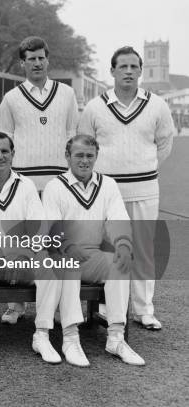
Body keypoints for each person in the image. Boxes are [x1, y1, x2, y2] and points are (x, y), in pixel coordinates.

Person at [78, 46, 174, 330]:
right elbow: (84, 144)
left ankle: (144, 310)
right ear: (113, 71)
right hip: (107, 193)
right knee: (109, 249)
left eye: (134, 67)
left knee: (143, 249)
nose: (129, 72)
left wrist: (142, 168)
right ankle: (109, 308)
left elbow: (164, 144)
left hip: (145, 189)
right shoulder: (96, 106)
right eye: (123, 67)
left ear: (140, 71)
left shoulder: (157, 105)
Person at [42, 134, 145, 366]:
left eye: (90, 155)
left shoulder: (108, 184)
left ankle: (116, 337)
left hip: (92, 256)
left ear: (97, 156)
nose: (85, 161)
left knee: (119, 262)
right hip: (61, 255)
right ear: (67, 156)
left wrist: (124, 246)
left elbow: (119, 220)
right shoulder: (54, 186)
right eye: (79, 155)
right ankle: (70, 337)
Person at [0, 132, 62, 365]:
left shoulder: (26, 185)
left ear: (13, 154)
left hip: (21, 259)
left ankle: (43, 335)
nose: (0, 156)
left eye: (5, 151)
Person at [0, 36, 79, 324]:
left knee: (56, 244)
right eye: (31, 59)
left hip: (57, 182)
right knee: (19, 243)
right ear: (23, 63)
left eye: (41, 57)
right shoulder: (11, 98)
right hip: (24, 183)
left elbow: (72, 136)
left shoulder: (67, 94)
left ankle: (55, 305)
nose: (37, 63)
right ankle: (15, 304)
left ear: (48, 60)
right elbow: (4, 141)